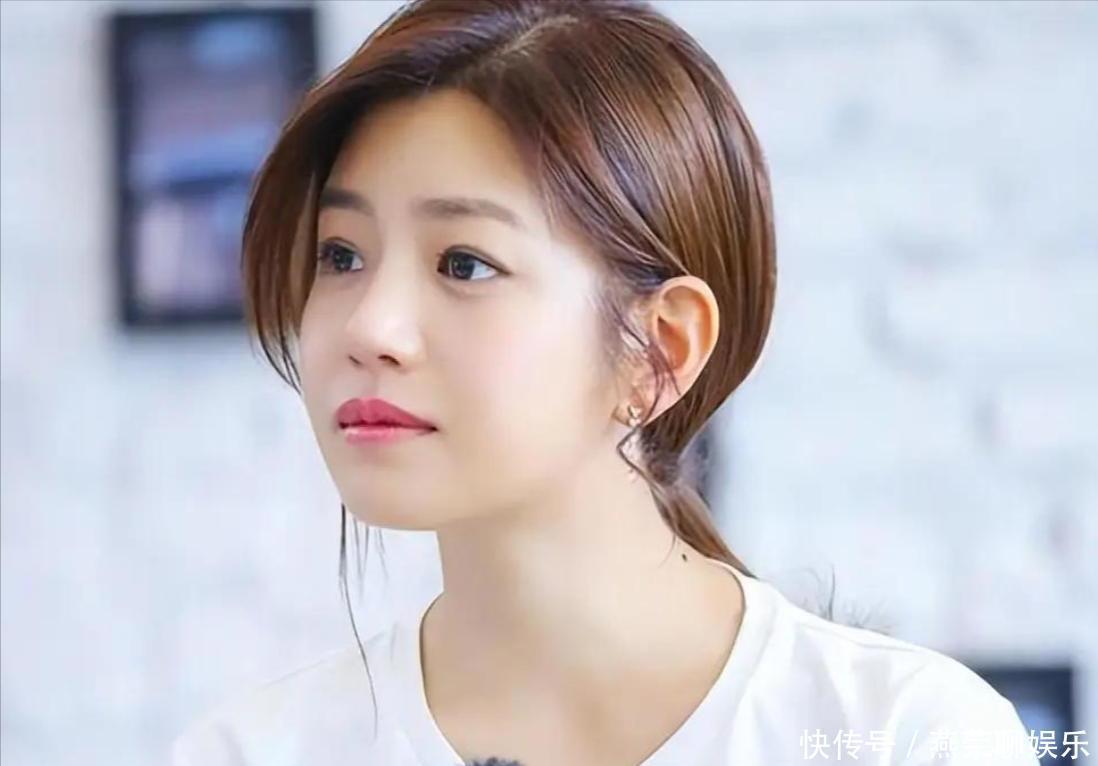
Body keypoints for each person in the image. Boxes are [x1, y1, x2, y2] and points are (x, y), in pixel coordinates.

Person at [171, 1, 1037, 764]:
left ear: (659, 347)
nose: (369, 328)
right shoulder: (250, 753)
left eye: (464, 263)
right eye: (341, 255)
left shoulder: (905, 737)